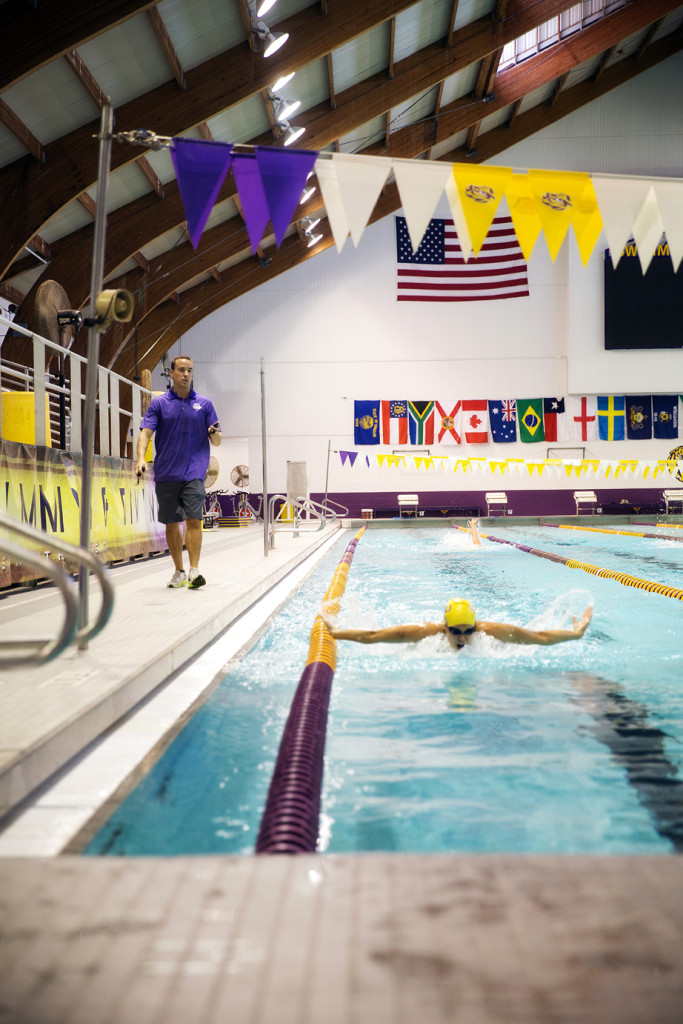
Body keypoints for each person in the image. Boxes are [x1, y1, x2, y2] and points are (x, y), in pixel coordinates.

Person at [135, 355, 221, 589]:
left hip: (194, 472)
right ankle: (179, 571)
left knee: (194, 519)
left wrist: (215, 433)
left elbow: (218, 440)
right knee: (172, 523)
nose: (186, 374)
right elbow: (145, 433)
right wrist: (141, 458)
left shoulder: (204, 404)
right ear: (171, 373)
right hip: (166, 473)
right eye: (181, 370)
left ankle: (194, 570)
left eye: (189, 370)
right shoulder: (159, 404)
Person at [326, 597, 593, 651]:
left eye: (469, 631)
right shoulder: (423, 633)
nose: (463, 638)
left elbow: (540, 637)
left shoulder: (491, 631)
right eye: (455, 631)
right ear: (444, 628)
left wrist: (575, 634)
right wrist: (335, 634)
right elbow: (373, 636)